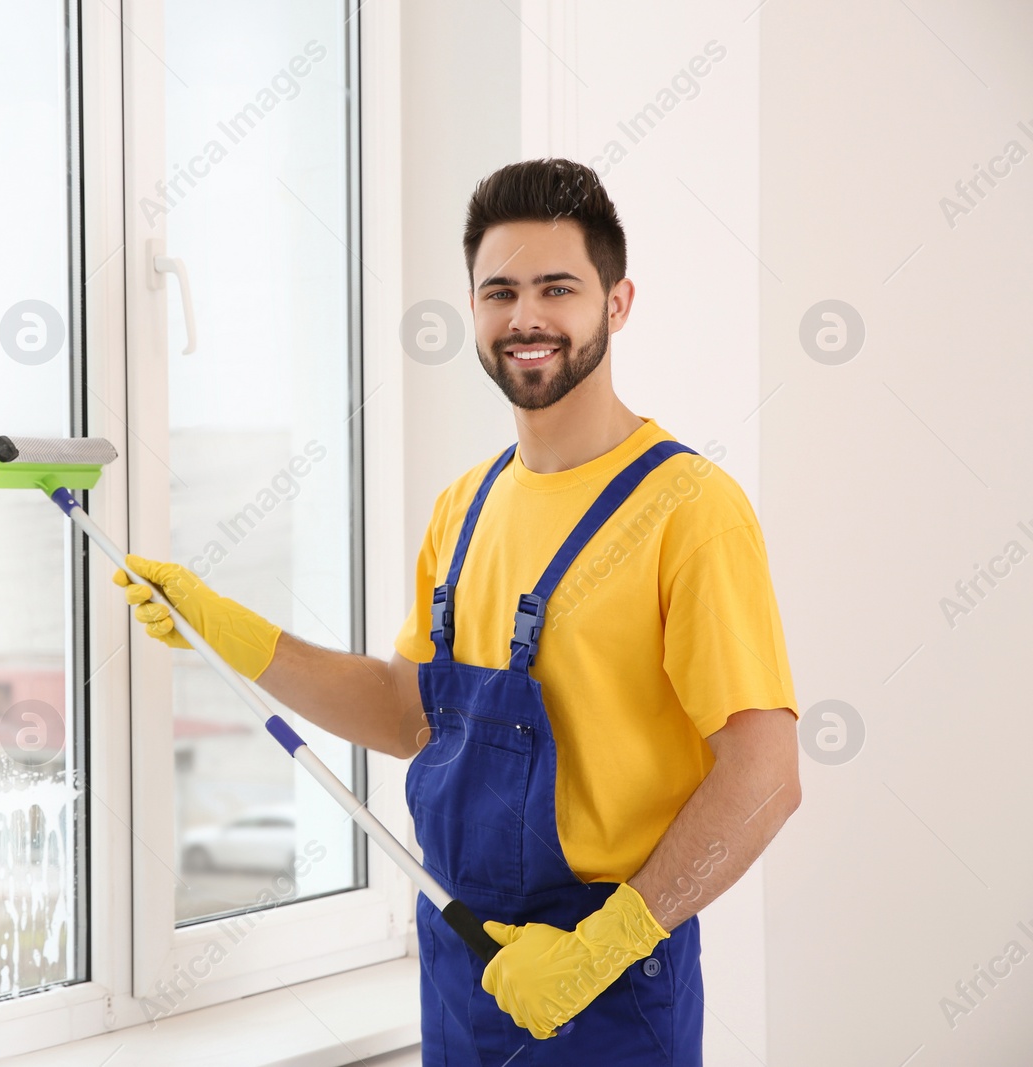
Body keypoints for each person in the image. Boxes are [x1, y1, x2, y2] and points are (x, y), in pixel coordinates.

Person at [112, 157, 800, 1065]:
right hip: (459, 961)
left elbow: (765, 774)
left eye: (558, 287)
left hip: (610, 986)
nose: (526, 318)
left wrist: (607, 947)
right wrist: (239, 634)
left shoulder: (690, 511)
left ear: (618, 302)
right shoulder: (464, 508)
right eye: (499, 291)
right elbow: (409, 715)